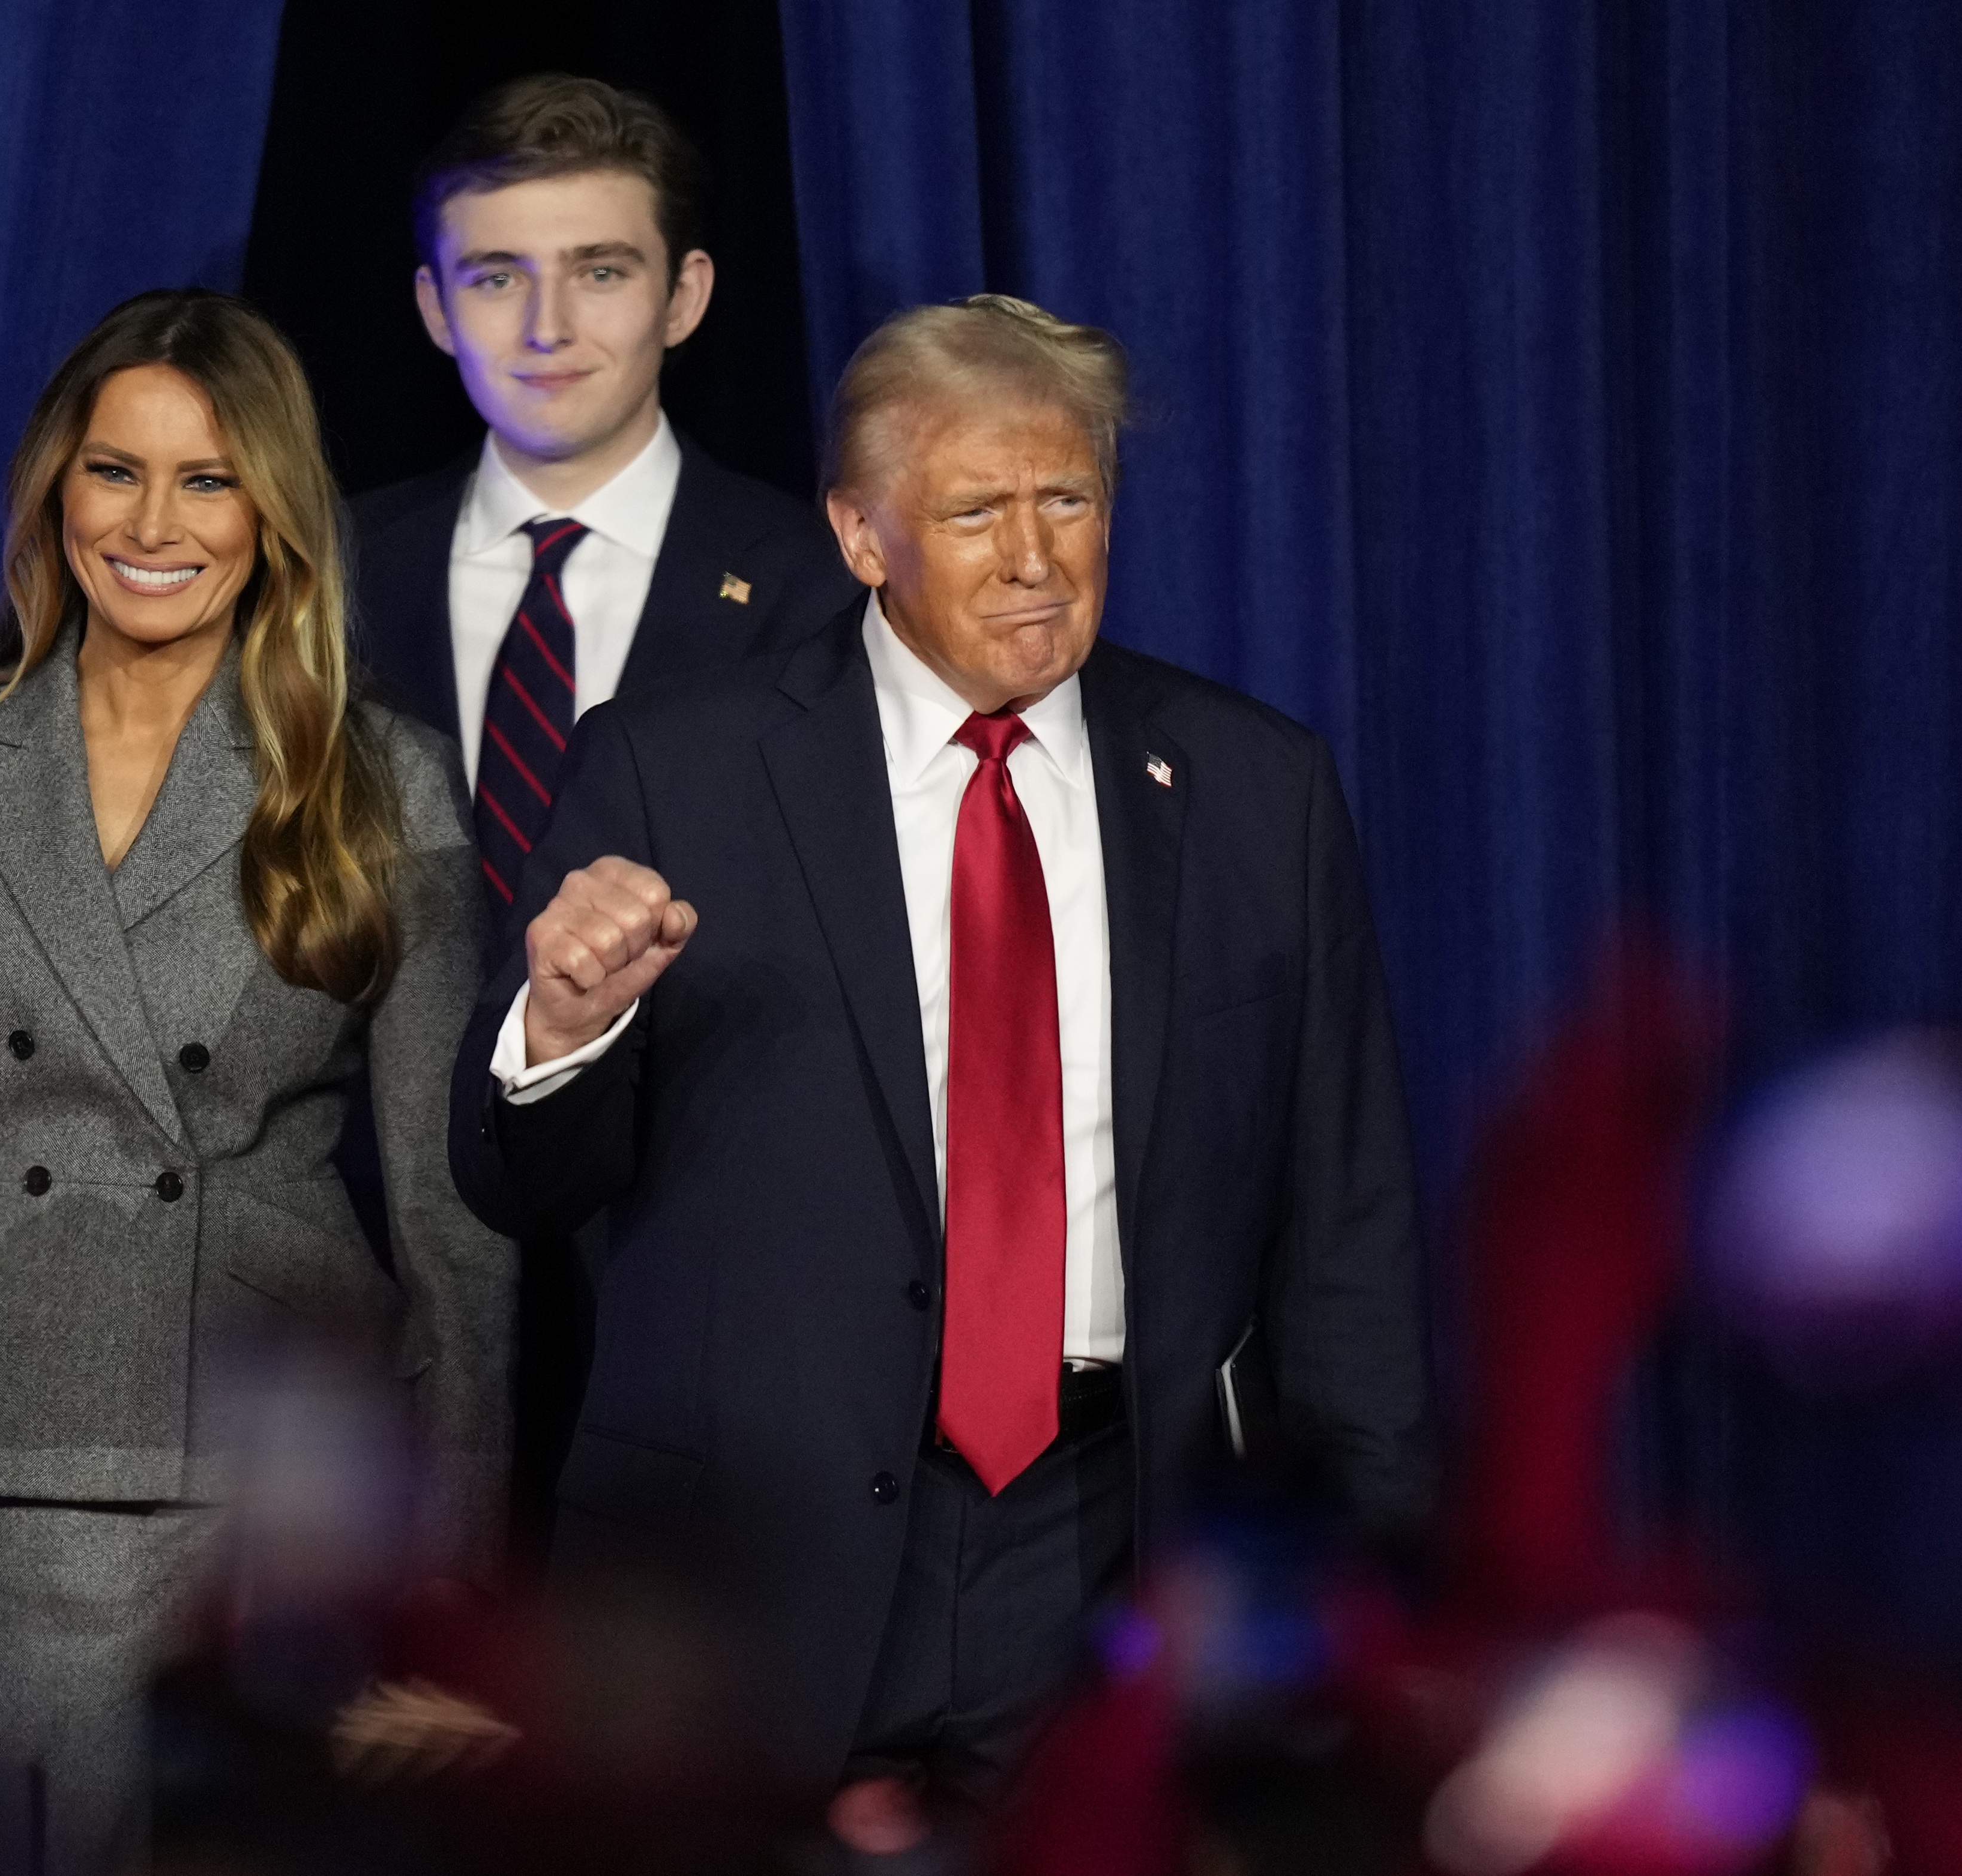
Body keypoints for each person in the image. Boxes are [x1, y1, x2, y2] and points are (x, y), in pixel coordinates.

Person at [447, 297, 1434, 1802]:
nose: (1035, 558)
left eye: (1069, 501)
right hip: (754, 1564)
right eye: (976, 511)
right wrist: (562, 1031)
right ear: (860, 534)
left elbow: (1346, 1231)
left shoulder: (1253, 789)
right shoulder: (673, 765)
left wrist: (1367, 1597)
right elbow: (519, 1183)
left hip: (1120, 1545)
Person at [0, 289, 513, 1875]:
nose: (153, 522)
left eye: (208, 478)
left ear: (274, 511)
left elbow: (455, 1224)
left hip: (257, 1476)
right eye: (114, 470)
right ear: (54, 492)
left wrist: (451, 1596)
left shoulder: (384, 779)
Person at [349, 72, 859, 917]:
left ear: (682, 298)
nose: (547, 327)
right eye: (497, 278)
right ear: (436, 308)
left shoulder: (813, 586)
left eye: (600, 273)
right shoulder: (333, 569)